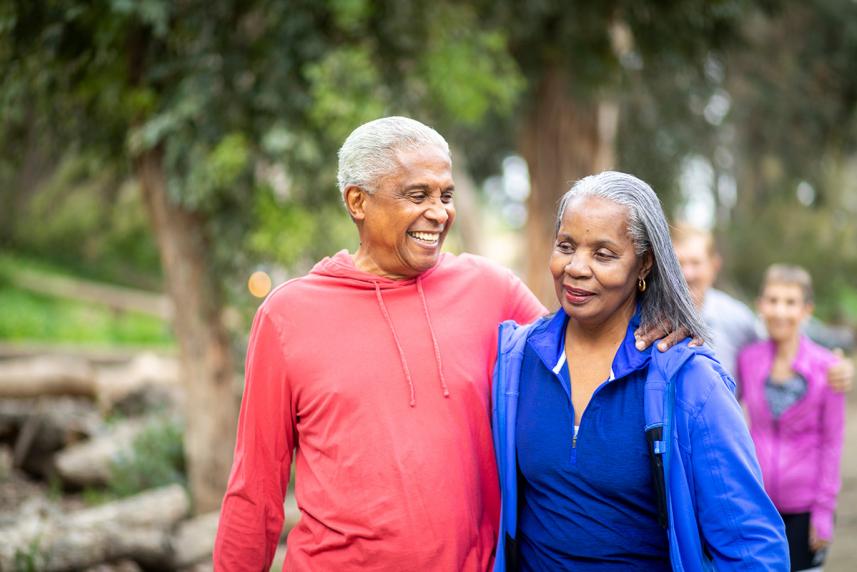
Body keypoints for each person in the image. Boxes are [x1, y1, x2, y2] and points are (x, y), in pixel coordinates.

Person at [213, 117, 686, 570]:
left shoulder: (490, 289)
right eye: (418, 195)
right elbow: (254, 490)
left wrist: (658, 320)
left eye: (446, 195)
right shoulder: (287, 315)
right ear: (357, 201)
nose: (439, 213)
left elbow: (586, 341)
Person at [493, 172, 788, 571]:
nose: (576, 268)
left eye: (603, 254)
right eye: (566, 246)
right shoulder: (517, 360)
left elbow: (751, 546)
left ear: (644, 263)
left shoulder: (688, 380)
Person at [738, 265, 845, 572]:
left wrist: (824, 512)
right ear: (761, 305)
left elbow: (832, 443)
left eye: (790, 302)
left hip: (806, 509)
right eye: (772, 300)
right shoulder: (748, 359)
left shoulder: (829, 368)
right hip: (758, 504)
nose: (780, 311)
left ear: (806, 310)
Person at [671, 224, 853, 390]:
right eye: (679, 263)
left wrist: (835, 365)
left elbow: (782, 334)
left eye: (695, 263)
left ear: (714, 265)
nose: (688, 274)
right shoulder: (650, 315)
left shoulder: (736, 317)